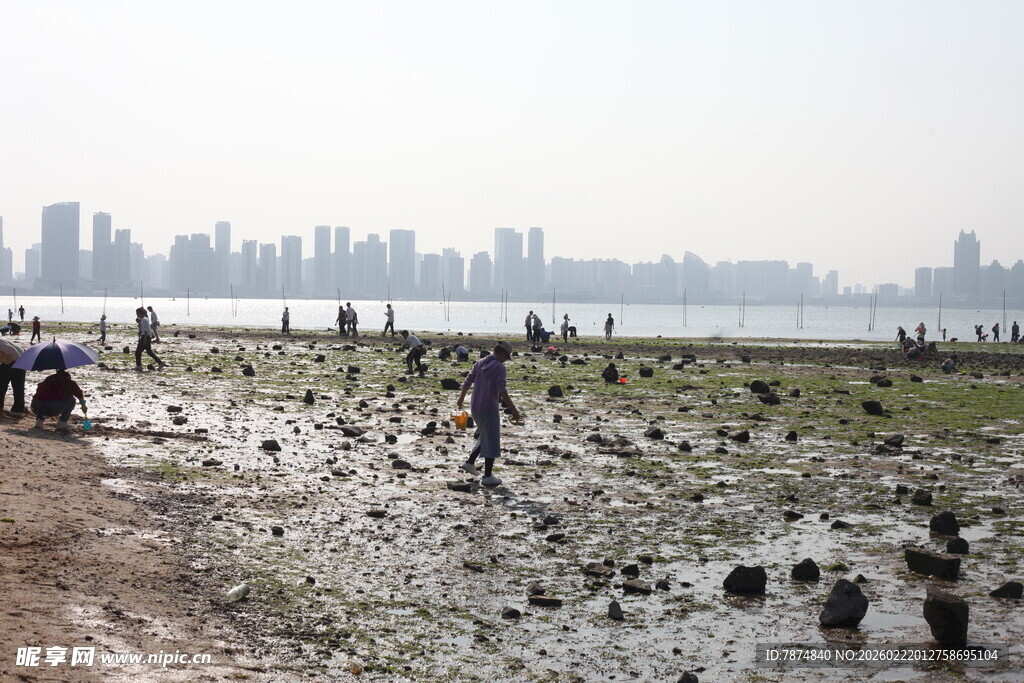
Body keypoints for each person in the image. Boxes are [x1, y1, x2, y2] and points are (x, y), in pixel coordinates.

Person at [456, 340, 520, 487]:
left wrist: (461, 399)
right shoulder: (499, 368)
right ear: (502, 353)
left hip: (476, 407)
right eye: (507, 356)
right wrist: (514, 409)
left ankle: (470, 462)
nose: (506, 360)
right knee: (491, 440)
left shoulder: (480, 363)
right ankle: (487, 476)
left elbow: (467, 381)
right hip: (489, 408)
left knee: (485, 435)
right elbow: (502, 390)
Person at [0, 347, 27, 418]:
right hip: (17, 361)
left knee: (3, 386)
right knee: (18, 387)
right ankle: (18, 410)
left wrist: (20, 364)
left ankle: (17, 410)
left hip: (15, 361)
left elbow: (11, 351)